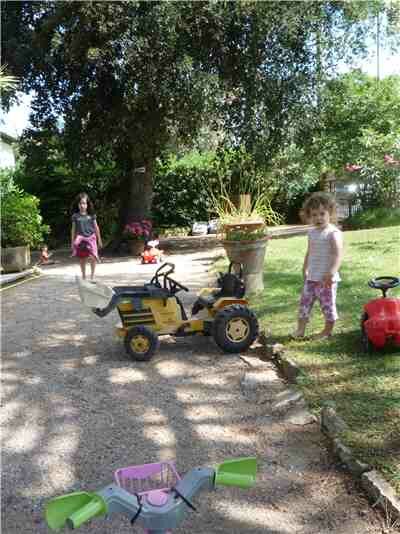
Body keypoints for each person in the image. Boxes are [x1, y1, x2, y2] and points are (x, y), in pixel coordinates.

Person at [294, 192, 343, 339]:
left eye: (322, 214)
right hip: (312, 277)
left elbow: (337, 254)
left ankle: (327, 331)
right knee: (304, 304)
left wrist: (332, 272)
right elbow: (310, 251)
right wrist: (305, 268)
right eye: (314, 215)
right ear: (309, 216)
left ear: (330, 213)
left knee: (327, 306)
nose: (318, 218)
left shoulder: (333, 233)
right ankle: (300, 330)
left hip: (326, 279)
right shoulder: (312, 232)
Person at [71, 192, 103, 281]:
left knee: (93, 257)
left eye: (84, 203)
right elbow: (73, 230)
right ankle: (84, 276)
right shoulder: (75, 216)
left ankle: (92, 277)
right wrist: (72, 243)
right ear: (77, 204)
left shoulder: (91, 215)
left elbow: (96, 228)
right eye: (80, 203)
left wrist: (99, 240)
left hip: (91, 238)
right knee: (82, 258)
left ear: (87, 204)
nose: (82, 205)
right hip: (81, 240)